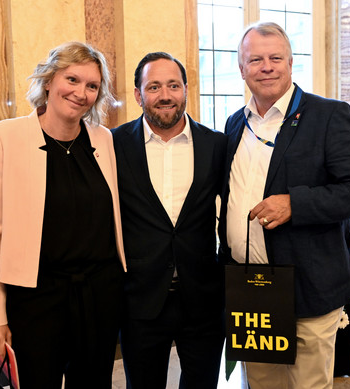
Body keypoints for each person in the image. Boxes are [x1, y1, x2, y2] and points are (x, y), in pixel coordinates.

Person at [218, 22, 350, 389]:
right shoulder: (233, 125)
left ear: (291, 63)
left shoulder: (328, 115)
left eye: (276, 57)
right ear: (242, 69)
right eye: (255, 59)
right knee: (260, 383)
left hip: (310, 287)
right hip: (252, 290)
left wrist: (295, 203)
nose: (267, 66)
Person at [0, 41, 126, 388]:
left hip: (99, 295)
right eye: (72, 80)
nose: (81, 93)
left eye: (92, 86)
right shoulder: (4, 137)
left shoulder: (103, 139)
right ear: (47, 81)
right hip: (36, 298)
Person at [112, 52, 227, 388]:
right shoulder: (113, 144)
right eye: (154, 86)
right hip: (140, 301)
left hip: (203, 298)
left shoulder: (216, 144)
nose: (165, 95)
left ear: (186, 89)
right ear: (138, 94)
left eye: (173, 85)